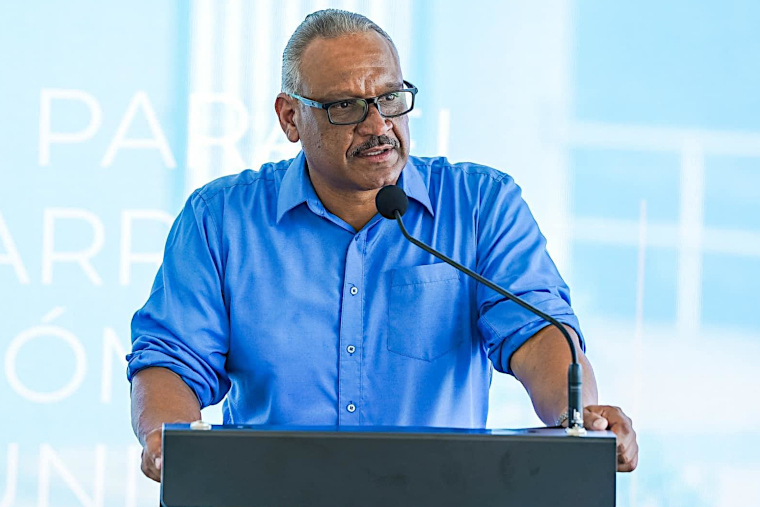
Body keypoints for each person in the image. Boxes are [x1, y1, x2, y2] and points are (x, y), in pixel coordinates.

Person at [127, 9, 638, 482]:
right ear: (289, 118)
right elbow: (172, 358)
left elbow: (536, 330)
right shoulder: (221, 219)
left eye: (390, 99)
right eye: (346, 106)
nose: (378, 126)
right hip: (270, 492)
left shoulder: (481, 205)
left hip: (441, 492)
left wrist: (579, 418)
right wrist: (168, 441)